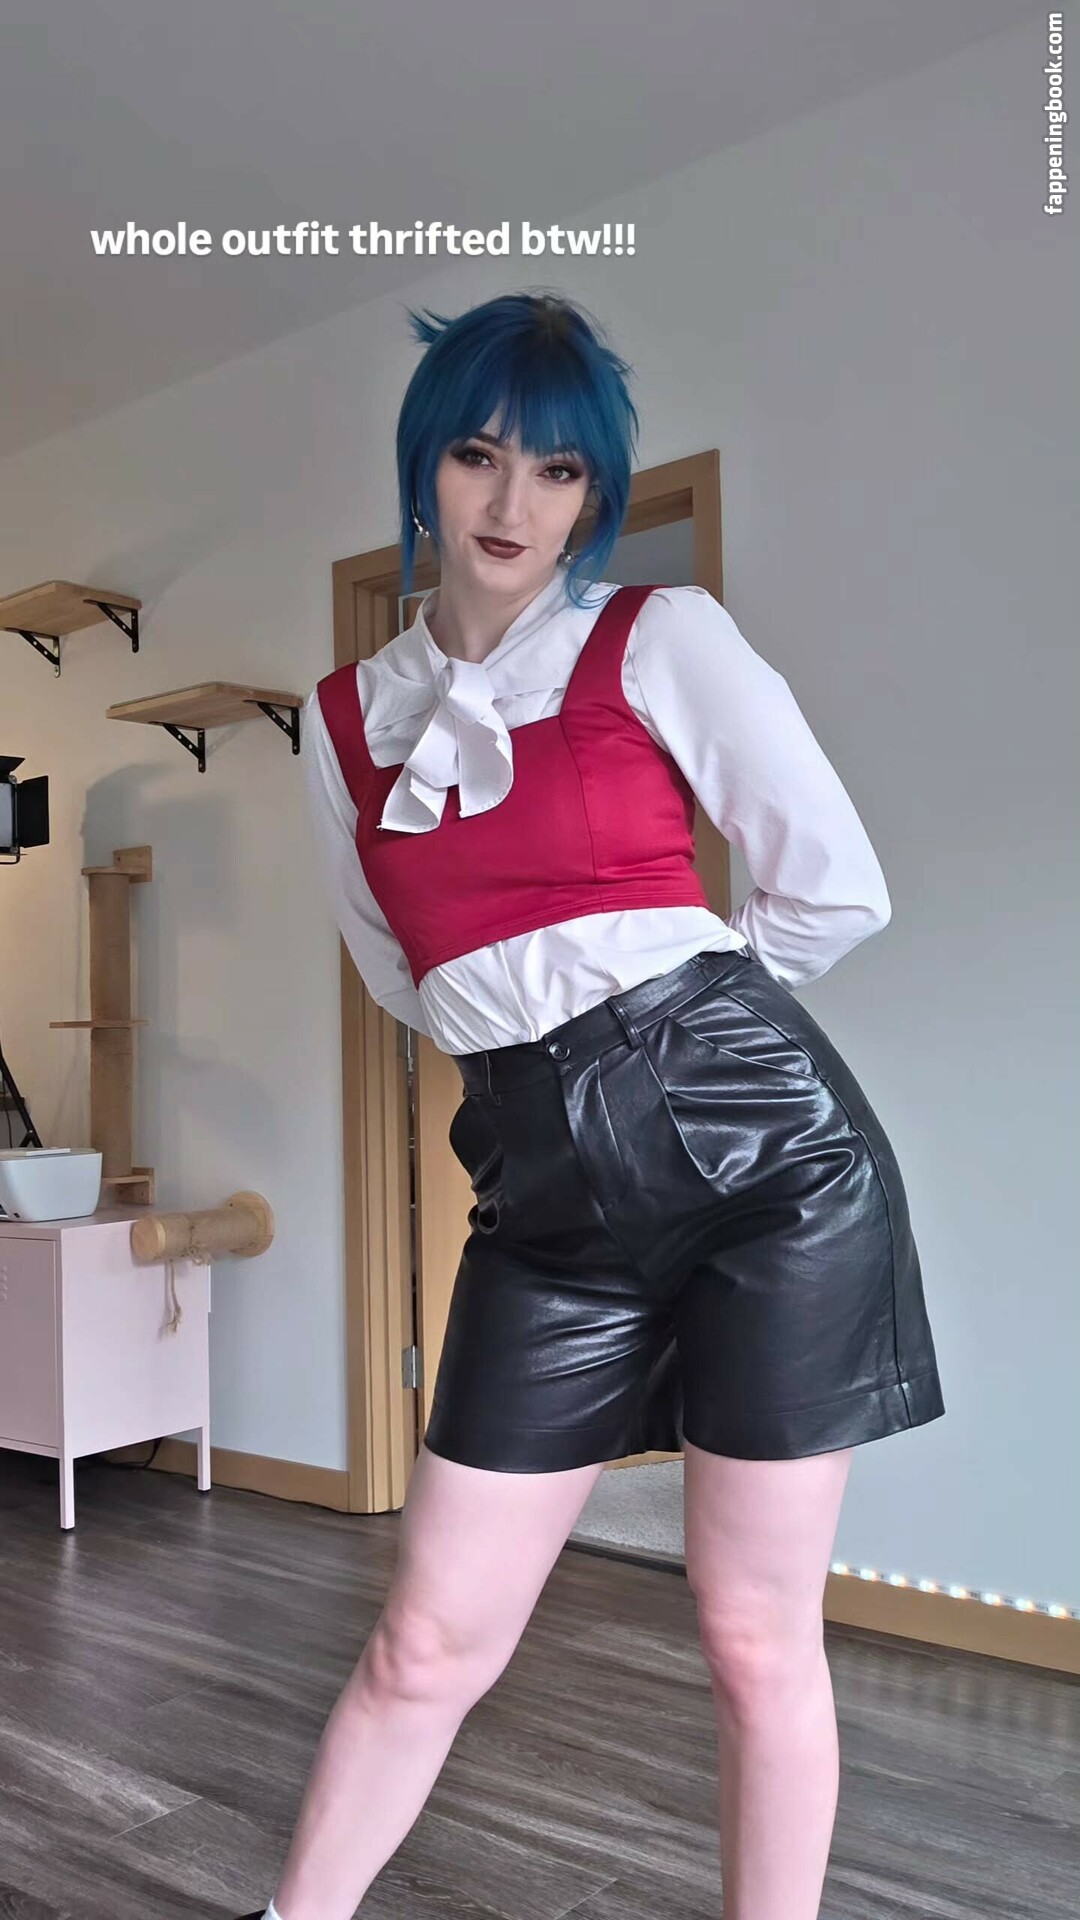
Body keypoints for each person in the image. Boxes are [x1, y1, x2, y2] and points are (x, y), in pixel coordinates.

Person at [238, 291, 945, 1920]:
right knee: (426, 1639)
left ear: (593, 495)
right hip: (543, 1197)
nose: (513, 504)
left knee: (754, 1633)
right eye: (479, 457)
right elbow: (400, 969)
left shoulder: (658, 636)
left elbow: (834, 887)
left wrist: (671, 1020)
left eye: (557, 472)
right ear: (424, 466)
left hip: (766, 1169)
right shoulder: (343, 723)